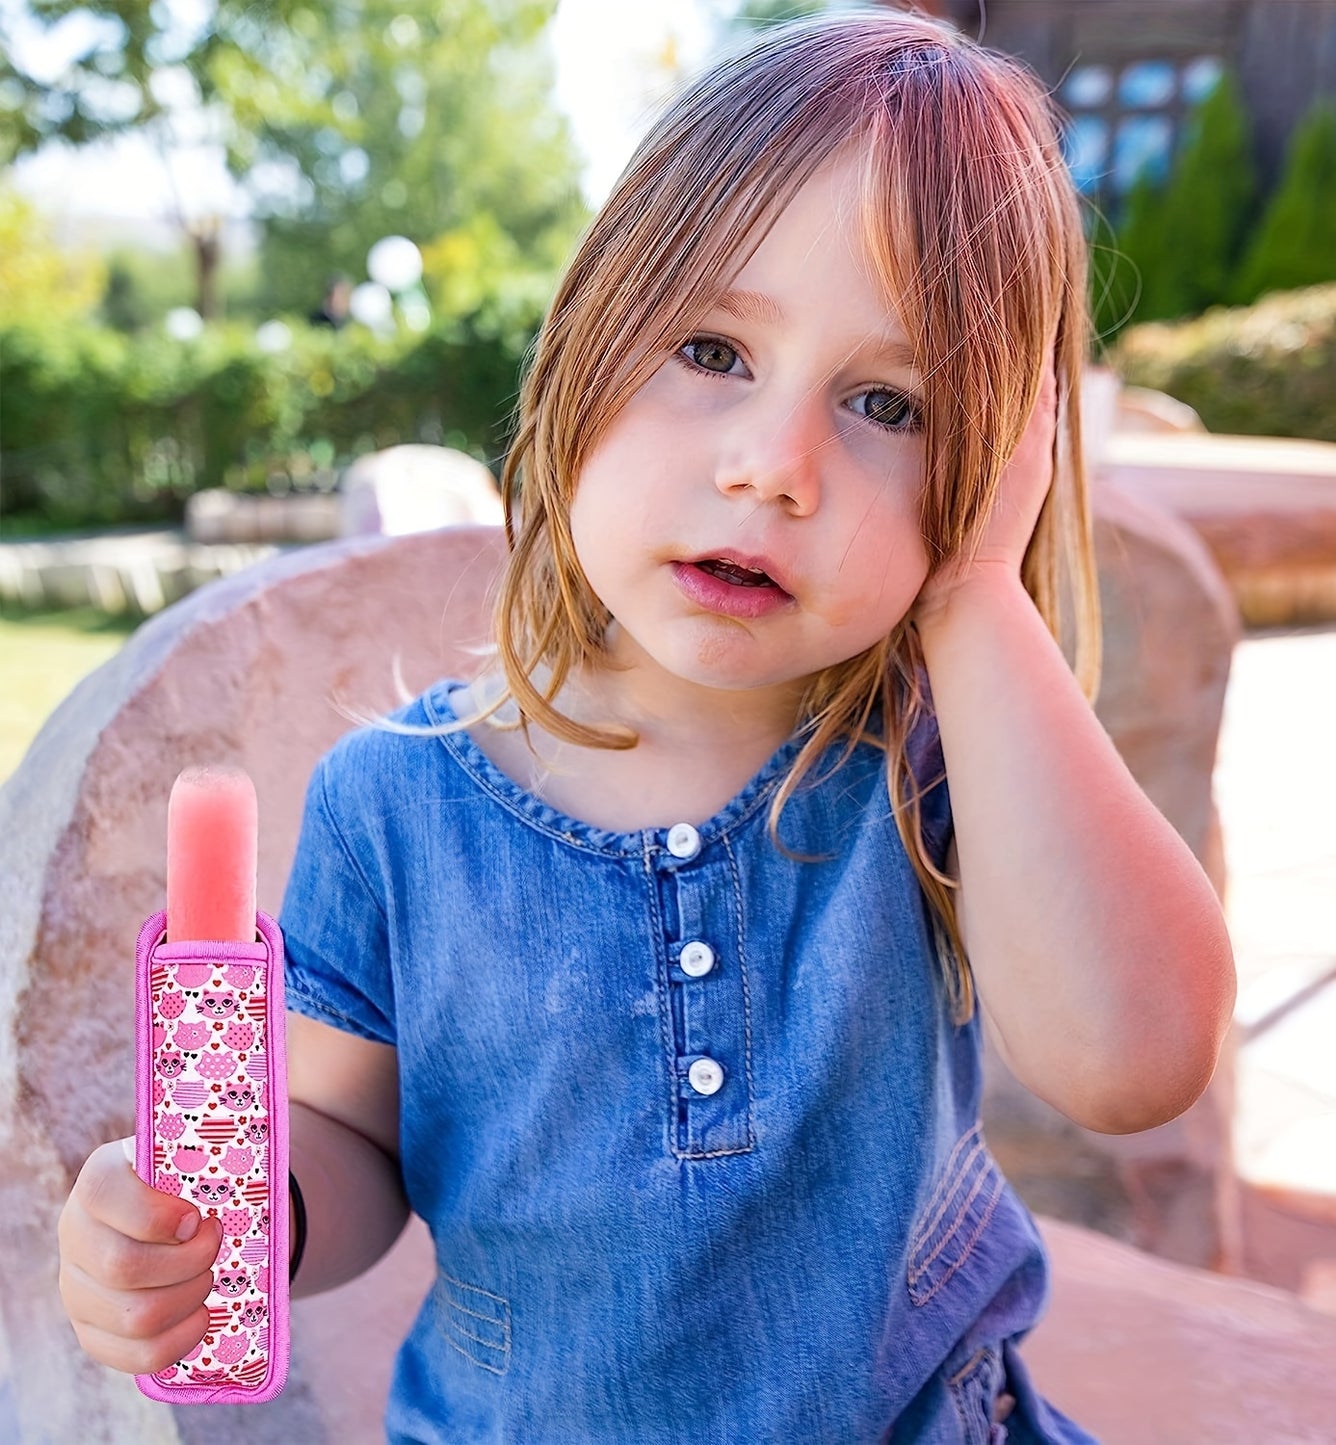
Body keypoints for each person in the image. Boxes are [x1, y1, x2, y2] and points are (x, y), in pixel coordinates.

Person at [57, 11, 1235, 1441]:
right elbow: (349, 1140)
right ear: (584, 342)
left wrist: (981, 592)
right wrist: (238, 1215)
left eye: (889, 402)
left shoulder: (934, 771)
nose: (774, 466)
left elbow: (1136, 1057)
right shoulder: (395, 807)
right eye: (712, 348)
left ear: (992, 470)